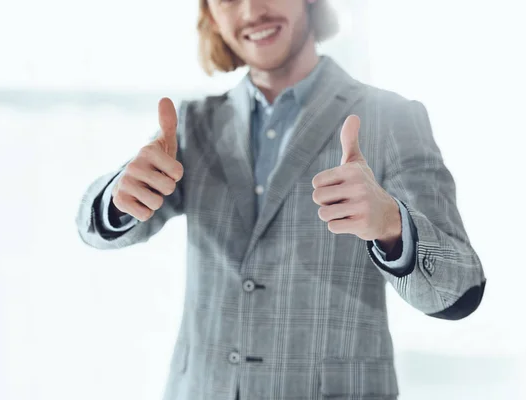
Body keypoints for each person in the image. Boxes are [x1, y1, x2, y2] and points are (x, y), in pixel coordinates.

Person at [75, 0, 487, 399]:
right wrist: (119, 197)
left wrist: (392, 225)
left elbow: (461, 289)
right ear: (212, 16)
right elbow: (96, 228)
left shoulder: (391, 117)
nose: (253, 11)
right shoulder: (194, 124)